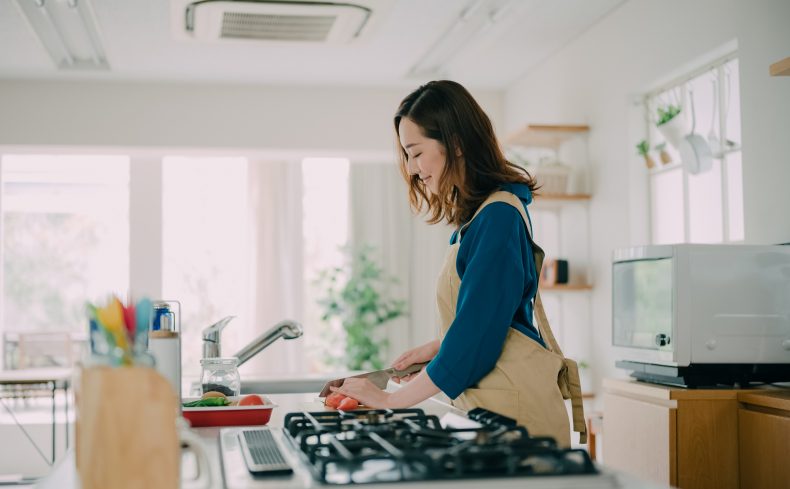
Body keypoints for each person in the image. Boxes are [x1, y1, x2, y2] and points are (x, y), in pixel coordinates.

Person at [330, 80, 586, 446]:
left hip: (518, 424)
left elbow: (476, 340)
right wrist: (441, 345)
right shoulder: (484, 218)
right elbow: (492, 319)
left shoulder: (497, 218)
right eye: (406, 155)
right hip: (497, 415)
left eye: (416, 152)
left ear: (457, 144)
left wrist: (389, 400)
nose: (412, 167)